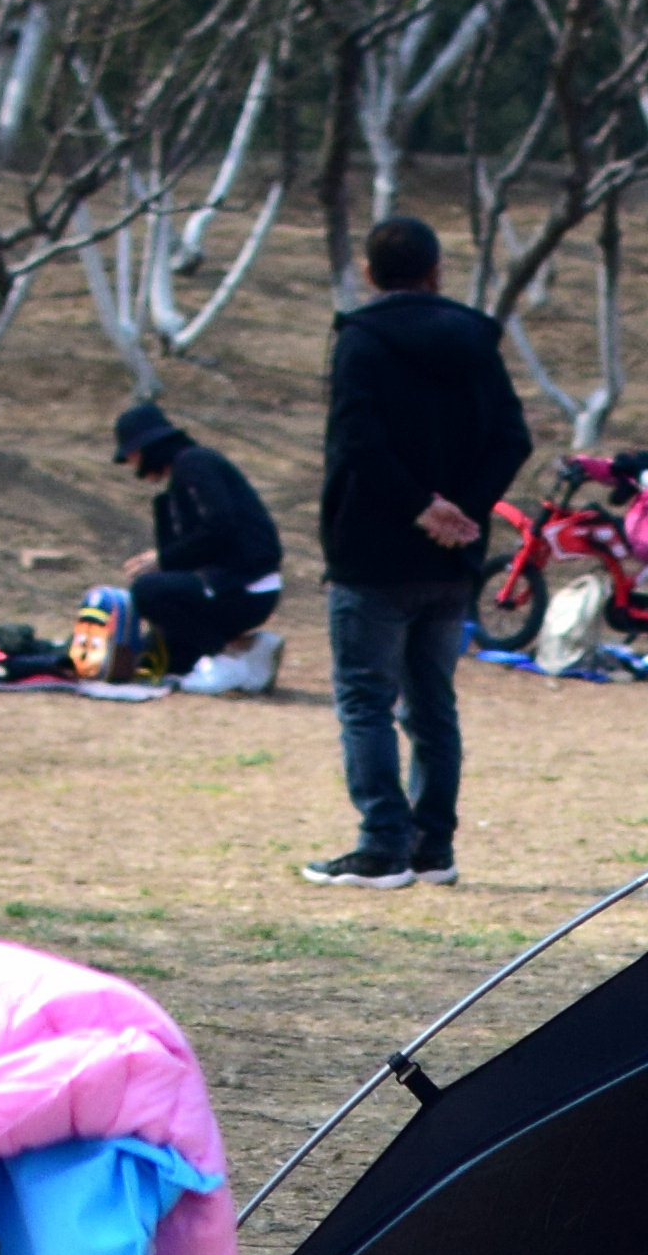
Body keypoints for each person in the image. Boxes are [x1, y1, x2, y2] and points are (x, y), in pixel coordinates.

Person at [298, 215, 525, 892]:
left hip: (372, 551)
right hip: (451, 559)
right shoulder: (476, 340)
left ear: (371, 274)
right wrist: (462, 510)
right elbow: (512, 439)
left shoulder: (361, 341)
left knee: (366, 701)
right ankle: (433, 848)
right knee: (432, 705)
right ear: (435, 272)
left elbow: (357, 445)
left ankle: (382, 847)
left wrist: (419, 507)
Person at [110, 396, 284, 688]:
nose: (131, 465)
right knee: (165, 655)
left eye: (131, 456)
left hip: (244, 584)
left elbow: (219, 526)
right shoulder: (180, 480)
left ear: (144, 449)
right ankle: (251, 647)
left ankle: (228, 657)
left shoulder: (194, 463)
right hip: (231, 583)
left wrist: (162, 560)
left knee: (147, 591)